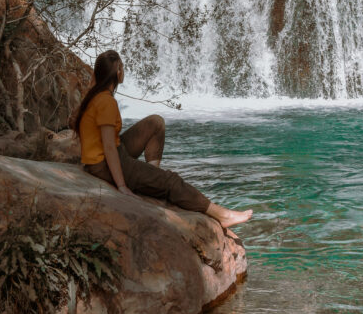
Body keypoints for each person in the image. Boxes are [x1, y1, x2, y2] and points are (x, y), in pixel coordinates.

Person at [72, 50, 252, 229]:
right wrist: (121, 186)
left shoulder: (94, 96)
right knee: (171, 181)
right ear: (118, 72)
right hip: (104, 162)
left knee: (155, 123)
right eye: (122, 68)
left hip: (105, 155)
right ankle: (222, 215)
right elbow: (109, 147)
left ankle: (150, 179)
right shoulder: (105, 102)